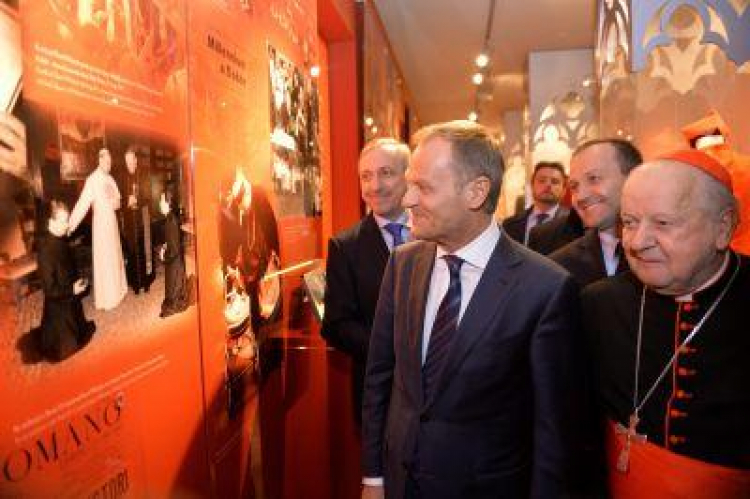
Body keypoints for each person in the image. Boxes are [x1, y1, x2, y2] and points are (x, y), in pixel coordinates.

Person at [362, 121, 578, 499]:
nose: (407, 199)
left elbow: (553, 432)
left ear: (476, 192)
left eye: (423, 187)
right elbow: (380, 376)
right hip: (399, 484)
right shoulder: (403, 263)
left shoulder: (545, 289)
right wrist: (374, 477)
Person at [582, 149, 750, 497]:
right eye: (628, 222)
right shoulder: (597, 304)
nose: (638, 242)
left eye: (663, 223)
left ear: (722, 228)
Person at [321, 137, 409, 423]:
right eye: (366, 176)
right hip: (381, 395)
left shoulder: (438, 234)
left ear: (409, 176)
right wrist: (395, 351)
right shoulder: (345, 246)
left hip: (443, 392)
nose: (375, 186)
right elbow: (337, 325)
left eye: (386, 173)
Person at [549, 139, 642, 287]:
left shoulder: (670, 258)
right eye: (574, 187)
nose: (581, 196)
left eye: (593, 179)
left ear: (634, 177)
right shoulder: (558, 267)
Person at [33, 199, 95, 361]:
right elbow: (50, 290)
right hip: (58, 305)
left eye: (67, 220)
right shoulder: (45, 251)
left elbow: (67, 270)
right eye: (64, 221)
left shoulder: (60, 240)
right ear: (50, 222)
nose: (68, 225)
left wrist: (77, 284)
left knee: (81, 329)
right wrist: (71, 290)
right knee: (68, 348)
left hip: (69, 299)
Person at [68, 147, 128, 310]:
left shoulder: (110, 178)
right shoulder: (92, 180)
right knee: (105, 259)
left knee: (115, 255)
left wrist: (114, 200)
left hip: (112, 222)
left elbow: (117, 202)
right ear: (100, 160)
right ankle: (108, 298)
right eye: (106, 161)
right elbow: (82, 204)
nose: (109, 164)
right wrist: (70, 225)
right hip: (101, 224)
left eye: (110, 162)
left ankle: (118, 291)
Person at [116, 146, 154, 294]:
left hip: (142, 216)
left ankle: (146, 282)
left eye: (131, 161)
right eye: (127, 162)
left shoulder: (144, 174)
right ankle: (136, 284)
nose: (129, 164)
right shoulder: (121, 176)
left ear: (136, 160)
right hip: (129, 219)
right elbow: (118, 199)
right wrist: (127, 200)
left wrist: (137, 199)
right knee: (132, 250)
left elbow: (149, 196)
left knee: (144, 249)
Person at [502, 161, 567, 245]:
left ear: (564, 190)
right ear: (532, 186)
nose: (548, 185)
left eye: (554, 182)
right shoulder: (509, 224)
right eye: (542, 180)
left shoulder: (574, 224)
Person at [158, 190, 189, 318]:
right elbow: (172, 242)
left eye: (161, 201)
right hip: (176, 261)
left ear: (167, 203)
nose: (159, 204)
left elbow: (174, 251)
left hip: (175, 264)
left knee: (173, 298)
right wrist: (165, 247)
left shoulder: (171, 221)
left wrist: (163, 255)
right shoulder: (170, 218)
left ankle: (177, 300)